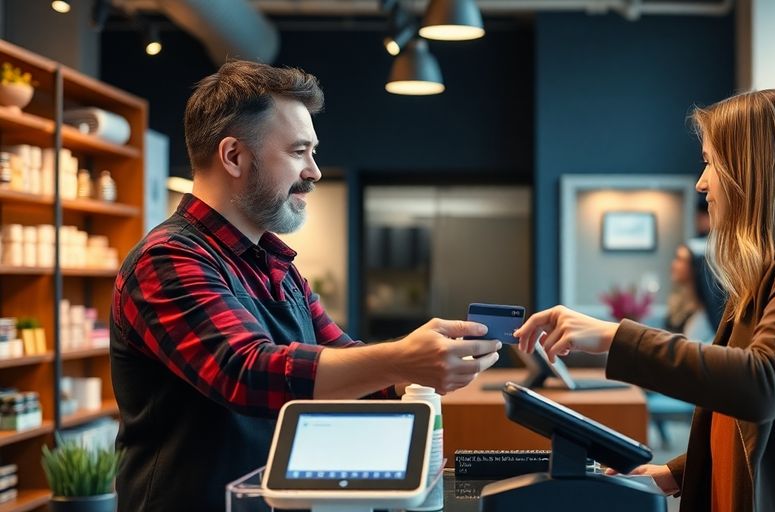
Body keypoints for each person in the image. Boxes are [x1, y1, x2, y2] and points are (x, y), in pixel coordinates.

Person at [110, 61, 501, 511]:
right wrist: (401, 359)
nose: (314, 171)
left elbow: (348, 364)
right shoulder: (169, 259)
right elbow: (245, 371)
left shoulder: (279, 267)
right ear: (234, 156)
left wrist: (422, 365)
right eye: (299, 152)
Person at [516, 89, 775, 511]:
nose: (702, 182)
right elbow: (750, 418)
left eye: (709, 162)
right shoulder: (769, 271)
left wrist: (615, 337)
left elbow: (762, 385)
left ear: (751, 170)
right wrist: (676, 473)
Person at [665, 242, 722, 342]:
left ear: (695, 266)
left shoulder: (701, 318)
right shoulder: (677, 303)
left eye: (680, 259)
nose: (673, 264)